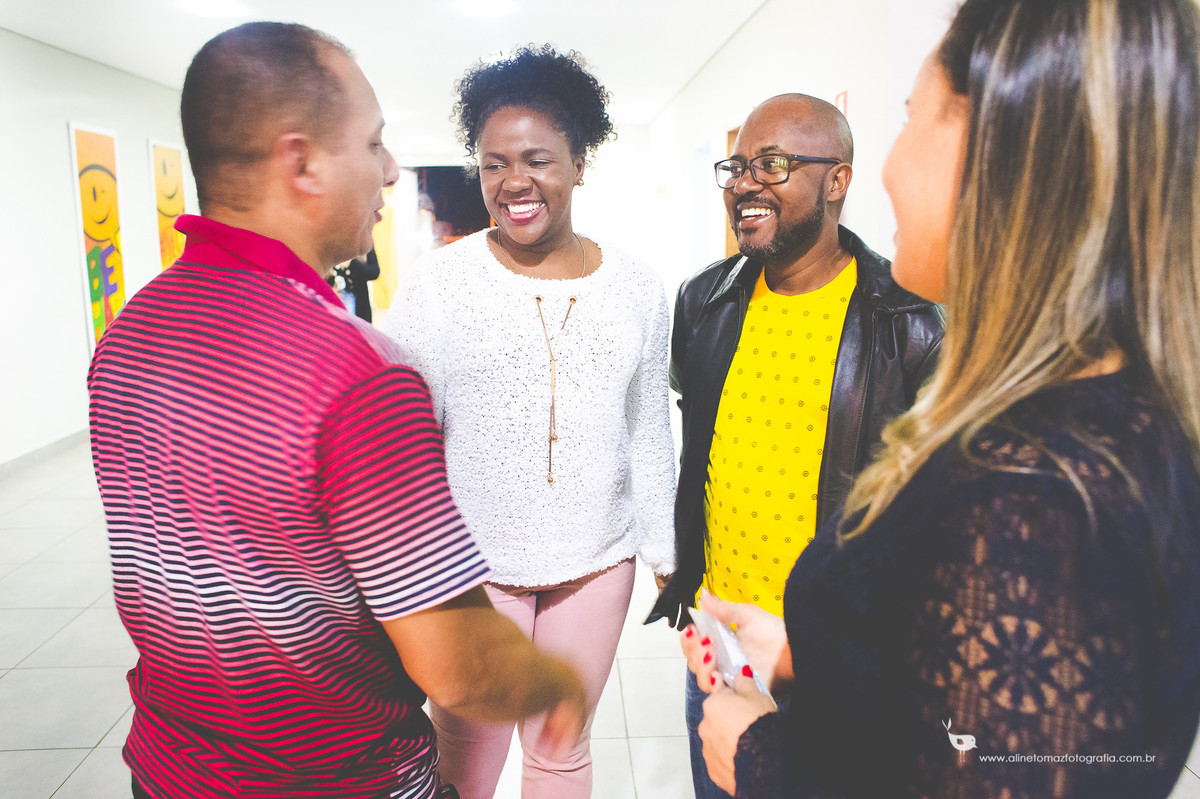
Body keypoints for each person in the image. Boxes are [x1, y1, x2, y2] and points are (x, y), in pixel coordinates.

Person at [682, 0, 1200, 796]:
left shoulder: (1042, 495)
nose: (892, 163)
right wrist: (806, 649)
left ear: (1009, 154)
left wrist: (762, 757)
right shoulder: (1073, 420)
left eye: (915, 117)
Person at [88, 23, 587, 799]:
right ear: (302, 162)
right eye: (374, 144)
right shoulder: (357, 374)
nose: (390, 171)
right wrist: (556, 679)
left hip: (168, 772)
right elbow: (456, 662)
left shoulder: (131, 332)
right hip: (341, 779)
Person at [385, 45, 676, 799]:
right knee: (463, 757)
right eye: (492, 162)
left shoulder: (640, 290)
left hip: (596, 560)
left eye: (537, 158)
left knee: (560, 748)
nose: (513, 180)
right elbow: (409, 439)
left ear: (580, 163)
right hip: (472, 572)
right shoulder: (441, 284)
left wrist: (664, 548)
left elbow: (647, 428)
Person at [644, 93, 943, 797]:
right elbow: (700, 438)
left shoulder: (908, 323)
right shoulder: (703, 301)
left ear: (836, 180)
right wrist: (676, 557)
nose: (745, 183)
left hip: (831, 650)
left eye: (772, 164)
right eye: (737, 166)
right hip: (720, 637)